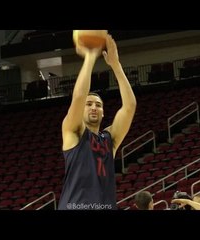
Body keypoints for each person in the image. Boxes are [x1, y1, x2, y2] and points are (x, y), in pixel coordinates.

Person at [57, 34, 137, 210]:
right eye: (89, 104)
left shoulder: (110, 140)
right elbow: (78, 96)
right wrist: (90, 57)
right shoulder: (73, 131)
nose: (94, 107)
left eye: (98, 105)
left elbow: (130, 106)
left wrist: (116, 66)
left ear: (103, 113)